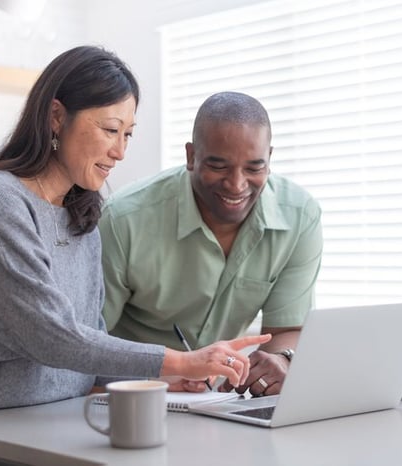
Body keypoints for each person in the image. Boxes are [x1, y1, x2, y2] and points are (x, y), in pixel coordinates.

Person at [0, 47, 269, 417]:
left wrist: (166, 381)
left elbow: (87, 351)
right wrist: (180, 362)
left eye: (128, 134)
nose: (120, 152)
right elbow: (52, 338)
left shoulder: (80, 217)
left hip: (49, 421)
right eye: (110, 130)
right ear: (56, 117)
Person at [99, 91, 322, 396]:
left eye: (254, 168)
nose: (237, 184)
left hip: (214, 404)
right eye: (219, 167)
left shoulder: (300, 217)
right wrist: (166, 372)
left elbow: (287, 329)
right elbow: (86, 341)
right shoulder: (123, 219)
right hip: (131, 396)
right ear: (191, 156)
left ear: (270, 157)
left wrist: (281, 360)